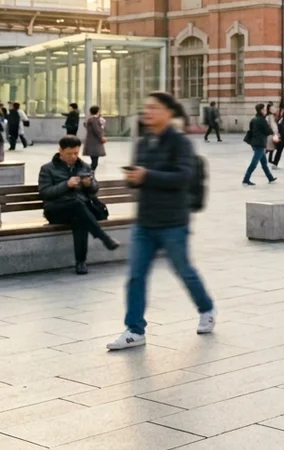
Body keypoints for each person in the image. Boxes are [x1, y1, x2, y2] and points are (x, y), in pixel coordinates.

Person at [107, 92, 214, 350]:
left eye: (153, 108)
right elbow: (138, 174)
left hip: (173, 222)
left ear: (168, 112)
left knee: (183, 270)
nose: (148, 112)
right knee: (135, 275)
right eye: (146, 107)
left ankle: (206, 308)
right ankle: (134, 330)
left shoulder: (180, 142)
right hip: (145, 221)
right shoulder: (143, 141)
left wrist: (148, 176)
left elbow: (184, 177)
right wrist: (132, 178)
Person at [39, 136, 119, 274]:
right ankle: (103, 237)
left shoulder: (84, 166)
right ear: (60, 150)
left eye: (76, 153)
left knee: (80, 217)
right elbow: (45, 193)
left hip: (80, 210)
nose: (73, 157)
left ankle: (81, 263)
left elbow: (95, 189)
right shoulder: (48, 169)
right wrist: (66, 184)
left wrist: (90, 185)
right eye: (69, 153)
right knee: (78, 206)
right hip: (56, 210)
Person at [242, 103, 277, 185]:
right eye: (264, 109)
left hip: (255, 143)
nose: (265, 111)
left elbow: (251, 130)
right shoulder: (262, 120)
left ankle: (270, 178)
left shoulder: (254, 119)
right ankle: (246, 179)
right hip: (260, 143)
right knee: (254, 163)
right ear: (261, 110)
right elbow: (268, 131)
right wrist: (273, 133)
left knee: (264, 163)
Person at [82, 105, 107, 171]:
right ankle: (90, 173)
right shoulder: (94, 120)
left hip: (91, 142)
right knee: (94, 162)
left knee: (94, 160)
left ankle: (89, 173)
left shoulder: (90, 119)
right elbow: (97, 130)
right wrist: (101, 137)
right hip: (95, 143)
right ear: (98, 111)